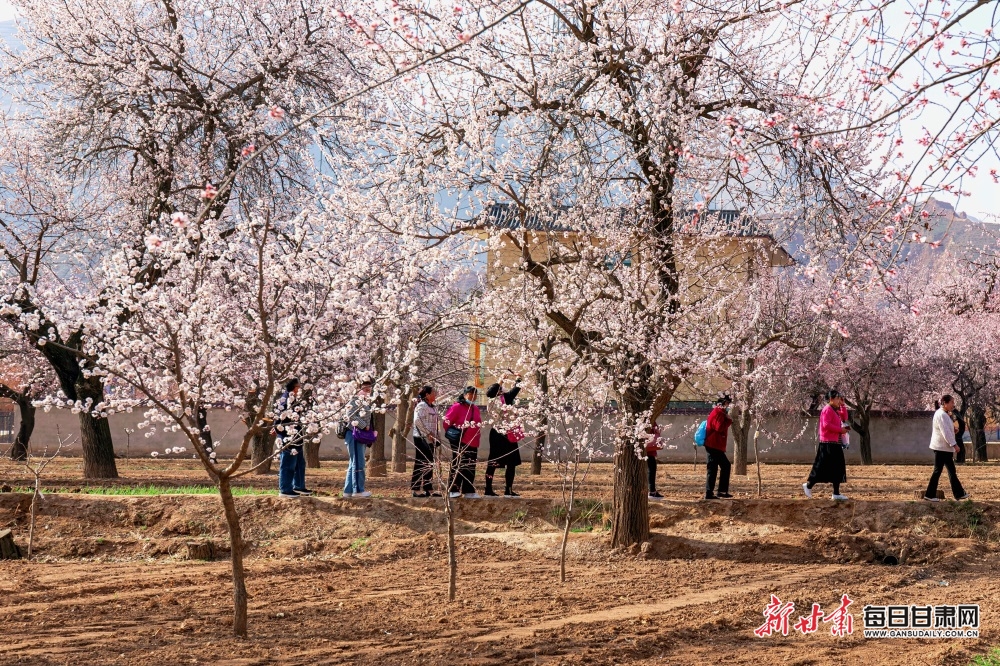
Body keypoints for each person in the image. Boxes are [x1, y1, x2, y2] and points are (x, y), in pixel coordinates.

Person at [803, 389, 850, 500]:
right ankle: (808, 485)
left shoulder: (835, 410)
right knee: (822, 466)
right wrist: (840, 430)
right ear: (831, 399)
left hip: (835, 443)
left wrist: (843, 405)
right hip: (827, 443)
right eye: (838, 398)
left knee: (837, 467)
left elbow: (845, 417)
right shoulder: (827, 409)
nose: (839, 400)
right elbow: (826, 425)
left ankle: (836, 493)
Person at [923, 394, 971, 502]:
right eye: (952, 402)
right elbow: (945, 433)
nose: (953, 404)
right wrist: (954, 444)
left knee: (950, 471)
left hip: (944, 448)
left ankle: (959, 494)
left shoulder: (944, 414)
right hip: (941, 447)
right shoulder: (941, 415)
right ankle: (930, 494)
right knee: (938, 471)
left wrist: (953, 429)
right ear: (945, 403)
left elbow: (946, 429)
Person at [484, 376, 524, 497]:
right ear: (499, 392)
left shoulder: (490, 402)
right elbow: (515, 390)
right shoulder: (504, 399)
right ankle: (508, 489)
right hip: (507, 433)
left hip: (495, 433)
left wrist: (501, 380)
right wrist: (518, 379)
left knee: (492, 462)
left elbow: (495, 390)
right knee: (511, 462)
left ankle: (488, 488)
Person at [443, 386, 483, 498]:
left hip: (473, 441)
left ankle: (468, 490)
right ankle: (453, 489)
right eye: (471, 394)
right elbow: (446, 422)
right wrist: (455, 434)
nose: (473, 397)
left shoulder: (475, 408)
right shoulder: (457, 407)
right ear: (465, 394)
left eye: (475, 394)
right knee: (459, 464)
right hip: (460, 440)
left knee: (470, 465)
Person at [275, 378, 311, 498]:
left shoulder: (293, 399)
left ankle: (299, 486)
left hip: (297, 436)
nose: (299, 389)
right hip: (288, 438)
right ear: (293, 387)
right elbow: (278, 420)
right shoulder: (285, 400)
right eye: (298, 387)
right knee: (288, 464)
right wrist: (281, 433)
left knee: (300, 463)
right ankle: (285, 489)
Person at [343, 379, 376, 498]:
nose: (367, 391)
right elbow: (350, 415)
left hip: (359, 435)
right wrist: (365, 426)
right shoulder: (355, 400)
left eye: (369, 389)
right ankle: (358, 490)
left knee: (354, 462)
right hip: (354, 434)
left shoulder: (365, 401)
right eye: (365, 389)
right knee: (358, 462)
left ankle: (348, 490)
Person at [411, 385, 442, 498]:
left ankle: (428, 488)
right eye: (433, 392)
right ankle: (415, 488)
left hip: (432, 438)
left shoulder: (433, 407)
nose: (435, 394)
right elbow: (417, 421)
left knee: (430, 463)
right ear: (427, 394)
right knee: (421, 462)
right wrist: (428, 433)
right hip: (421, 438)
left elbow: (436, 423)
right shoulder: (421, 406)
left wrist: (437, 436)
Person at [704, 394, 733, 500]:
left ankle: (720, 491)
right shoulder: (718, 412)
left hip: (715, 445)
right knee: (714, 468)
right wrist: (729, 420)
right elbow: (719, 428)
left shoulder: (719, 412)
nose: (729, 406)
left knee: (723, 466)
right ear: (725, 403)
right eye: (728, 403)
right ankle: (709, 493)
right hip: (713, 445)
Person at [647, 420, 664, 499]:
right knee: (651, 469)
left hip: (646, 449)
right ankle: (651, 491)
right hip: (648, 449)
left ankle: (651, 490)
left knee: (650, 469)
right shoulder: (650, 419)